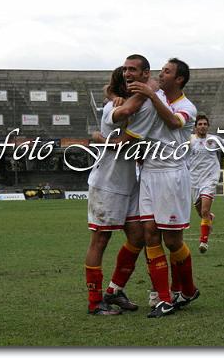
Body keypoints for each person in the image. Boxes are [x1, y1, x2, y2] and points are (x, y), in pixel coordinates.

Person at [109, 57, 200, 318]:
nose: (162, 74)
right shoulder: (153, 96)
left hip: (172, 175)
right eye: (161, 70)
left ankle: (188, 289)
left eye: (167, 72)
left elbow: (173, 122)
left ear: (179, 79)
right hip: (149, 172)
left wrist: (150, 93)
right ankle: (164, 299)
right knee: (149, 233)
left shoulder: (187, 107)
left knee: (172, 240)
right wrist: (116, 97)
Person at [84, 65, 146, 316]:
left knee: (138, 238)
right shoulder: (114, 108)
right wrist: (101, 138)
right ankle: (94, 302)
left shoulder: (135, 106)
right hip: (108, 183)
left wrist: (99, 137)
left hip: (130, 182)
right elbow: (120, 141)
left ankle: (114, 290)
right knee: (100, 240)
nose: (133, 83)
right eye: (127, 81)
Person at [188, 114, 224, 253]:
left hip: (210, 178)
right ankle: (209, 218)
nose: (202, 126)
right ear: (195, 127)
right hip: (193, 180)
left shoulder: (214, 140)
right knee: (201, 213)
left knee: (204, 210)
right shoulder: (189, 140)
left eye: (205, 124)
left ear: (208, 126)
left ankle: (203, 242)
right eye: (200, 124)